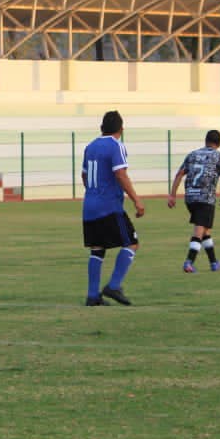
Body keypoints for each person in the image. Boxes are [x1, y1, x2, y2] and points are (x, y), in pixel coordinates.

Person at [80, 110, 145, 306]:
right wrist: (136, 200)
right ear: (121, 129)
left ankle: (92, 296)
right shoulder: (116, 146)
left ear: (101, 128)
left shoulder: (90, 147)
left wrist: (94, 192)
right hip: (109, 206)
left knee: (97, 249)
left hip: (89, 206)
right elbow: (121, 175)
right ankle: (114, 285)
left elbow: (84, 176)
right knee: (132, 243)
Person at [168, 130, 220, 274]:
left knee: (205, 230)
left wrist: (172, 195)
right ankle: (189, 262)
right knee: (199, 230)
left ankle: (214, 263)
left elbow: (179, 174)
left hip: (190, 198)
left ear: (205, 141)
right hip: (205, 198)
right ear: (219, 143)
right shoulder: (219, 157)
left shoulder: (192, 154)